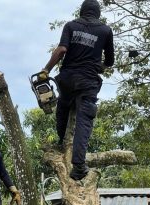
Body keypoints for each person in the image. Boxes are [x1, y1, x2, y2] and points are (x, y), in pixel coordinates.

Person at [40, 0, 114, 180]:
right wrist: (101, 66)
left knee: (63, 108)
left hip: (67, 79)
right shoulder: (105, 31)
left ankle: (61, 142)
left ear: (82, 12)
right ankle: (79, 165)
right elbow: (110, 61)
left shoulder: (71, 26)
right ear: (97, 14)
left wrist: (46, 70)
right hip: (87, 82)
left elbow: (61, 50)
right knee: (84, 118)